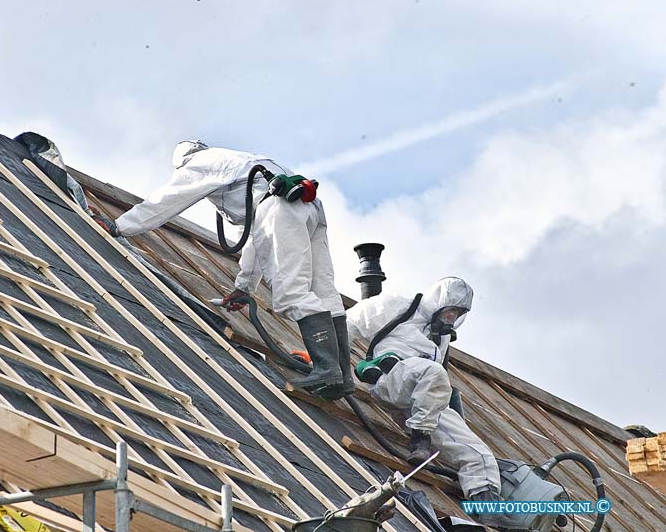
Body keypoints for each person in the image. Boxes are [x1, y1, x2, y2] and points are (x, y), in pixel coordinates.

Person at [96, 141, 353, 399]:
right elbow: (258, 232)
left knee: (290, 292)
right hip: (307, 206)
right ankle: (342, 375)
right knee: (324, 291)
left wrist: (119, 227)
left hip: (281, 207)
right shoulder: (242, 164)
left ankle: (327, 369)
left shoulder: (198, 164)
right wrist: (244, 287)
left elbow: (166, 201)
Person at [346, 277, 502, 502]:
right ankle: (420, 439)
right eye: (451, 311)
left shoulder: (441, 338)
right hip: (390, 380)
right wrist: (322, 357)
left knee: (478, 454)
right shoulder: (398, 305)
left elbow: (436, 382)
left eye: (457, 314)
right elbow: (349, 324)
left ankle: (487, 507)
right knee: (434, 373)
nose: (452, 318)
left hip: (420, 404)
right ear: (439, 301)